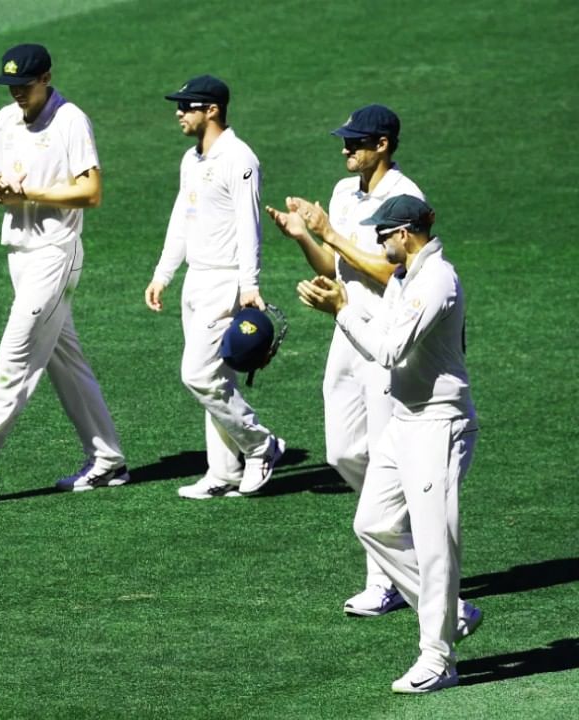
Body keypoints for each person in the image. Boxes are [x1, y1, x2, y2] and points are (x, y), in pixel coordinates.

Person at [297, 195, 482, 694]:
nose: (378, 242)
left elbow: (389, 349)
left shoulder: (436, 280)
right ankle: (451, 612)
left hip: (438, 426)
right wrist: (342, 304)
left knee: (434, 543)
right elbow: (380, 331)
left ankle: (438, 659)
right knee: (372, 523)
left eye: (383, 234)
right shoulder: (403, 279)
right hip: (405, 421)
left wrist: (340, 311)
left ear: (406, 234)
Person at [0, 43, 128, 501]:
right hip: (19, 253)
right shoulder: (6, 120)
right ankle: (107, 459)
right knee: (66, 361)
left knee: (14, 357)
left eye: (25, 84)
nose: (17, 93)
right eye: (12, 85)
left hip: (56, 253)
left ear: (46, 78)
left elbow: (92, 191)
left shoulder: (70, 119)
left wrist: (31, 193)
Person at [266, 105, 420, 616]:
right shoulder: (342, 191)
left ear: (382, 145)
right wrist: (304, 237)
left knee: (379, 453)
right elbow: (335, 265)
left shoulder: (405, 196)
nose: (345, 149)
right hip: (345, 330)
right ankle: (403, 534)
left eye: (355, 142)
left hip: (384, 336)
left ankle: (387, 578)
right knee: (343, 452)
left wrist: (330, 232)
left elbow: (390, 271)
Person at [145, 75, 284, 500]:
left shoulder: (239, 159)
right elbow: (180, 219)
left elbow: (249, 226)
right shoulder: (192, 159)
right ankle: (222, 472)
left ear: (212, 111)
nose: (179, 113)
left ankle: (262, 445)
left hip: (225, 280)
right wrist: (164, 273)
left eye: (188, 106)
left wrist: (249, 284)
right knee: (218, 376)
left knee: (199, 374)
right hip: (195, 279)